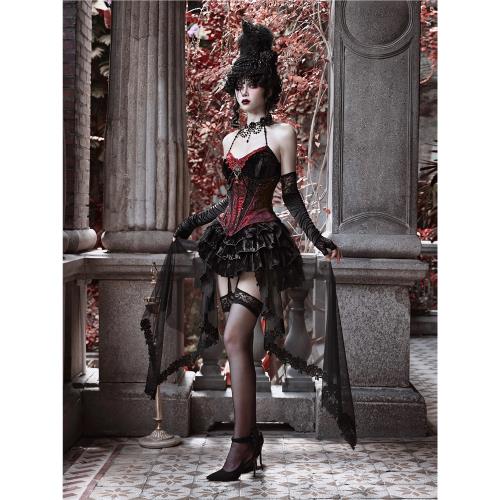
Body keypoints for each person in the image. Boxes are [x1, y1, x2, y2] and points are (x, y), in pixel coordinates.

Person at [140, 19, 357, 482]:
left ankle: (241, 445)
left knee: (238, 337)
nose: (244, 91)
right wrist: (192, 223)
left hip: (261, 243)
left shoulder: (282, 134)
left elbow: (290, 197)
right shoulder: (229, 140)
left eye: (253, 83)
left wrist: (318, 239)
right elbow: (227, 200)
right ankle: (248, 441)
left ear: (268, 88)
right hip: (226, 244)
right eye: (238, 83)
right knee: (233, 342)